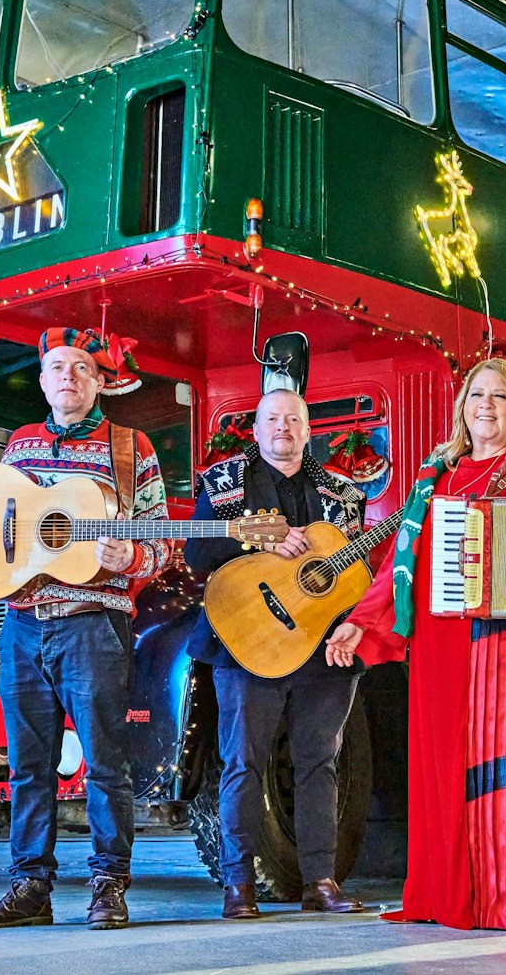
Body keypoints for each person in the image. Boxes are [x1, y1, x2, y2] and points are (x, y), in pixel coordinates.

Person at [325, 359, 506, 930]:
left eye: (499, 396)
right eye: (476, 395)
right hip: (441, 648)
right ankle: (448, 894)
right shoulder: (434, 477)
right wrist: (362, 623)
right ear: (462, 407)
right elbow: (402, 565)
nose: (485, 406)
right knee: (444, 772)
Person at [0, 326, 170, 931]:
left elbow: (160, 540)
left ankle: (109, 886)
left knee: (105, 764)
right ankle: (30, 888)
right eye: (57, 367)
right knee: (28, 766)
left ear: (99, 381)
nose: (68, 377)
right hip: (23, 625)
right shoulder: (20, 444)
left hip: (93, 627)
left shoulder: (130, 448)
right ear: (44, 381)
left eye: (81, 367)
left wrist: (130, 557)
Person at [185, 388, 372, 919]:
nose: (283, 427)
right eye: (272, 419)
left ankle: (320, 881)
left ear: (308, 430)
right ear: (257, 429)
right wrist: (260, 542)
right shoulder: (223, 482)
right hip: (247, 642)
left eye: (293, 419)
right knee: (242, 762)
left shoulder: (343, 493)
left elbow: (351, 573)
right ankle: (238, 884)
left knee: (320, 763)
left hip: (321, 644)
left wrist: (356, 623)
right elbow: (197, 551)